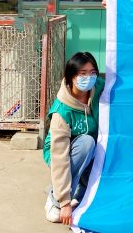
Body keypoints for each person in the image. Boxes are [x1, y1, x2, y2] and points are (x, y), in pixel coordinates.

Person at [43, 52, 104, 226]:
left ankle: (78, 193)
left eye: (92, 72)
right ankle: (56, 199)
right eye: (82, 73)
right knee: (87, 143)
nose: (89, 77)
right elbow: (59, 156)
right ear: (71, 76)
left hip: (91, 149)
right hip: (60, 153)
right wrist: (64, 202)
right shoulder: (62, 110)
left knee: (97, 145)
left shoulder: (99, 88)